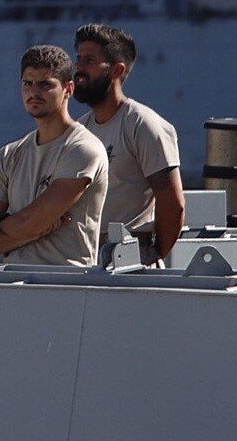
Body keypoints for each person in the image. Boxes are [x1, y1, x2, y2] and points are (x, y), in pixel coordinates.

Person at [0, 45, 109, 266]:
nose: (34, 92)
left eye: (46, 84)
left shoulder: (83, 149)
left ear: (69, 89)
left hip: (65, 284)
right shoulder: (9, 154)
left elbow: (31, 221)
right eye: (28, 83)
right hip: (14, 285)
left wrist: (3, 226)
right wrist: (32, 232)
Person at [75, 23, 186, 263]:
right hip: (87, 258)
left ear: (117, 70)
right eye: (79, 58)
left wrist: (153, 255)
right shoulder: (80, 129)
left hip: (129, 260)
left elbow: (173, 204)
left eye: (90, 60)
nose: (78, 68)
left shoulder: (143, 125)